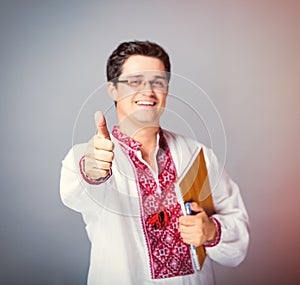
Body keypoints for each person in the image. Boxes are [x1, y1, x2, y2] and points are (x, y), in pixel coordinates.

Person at [60, 40, 249, 285]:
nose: (148, 92)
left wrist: (211, 232)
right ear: (113, 90)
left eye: (157, 82)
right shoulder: (91, 156)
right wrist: (94, 170)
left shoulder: (197, 154)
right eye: (134, 82)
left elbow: (237, 229)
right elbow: (75, 190)